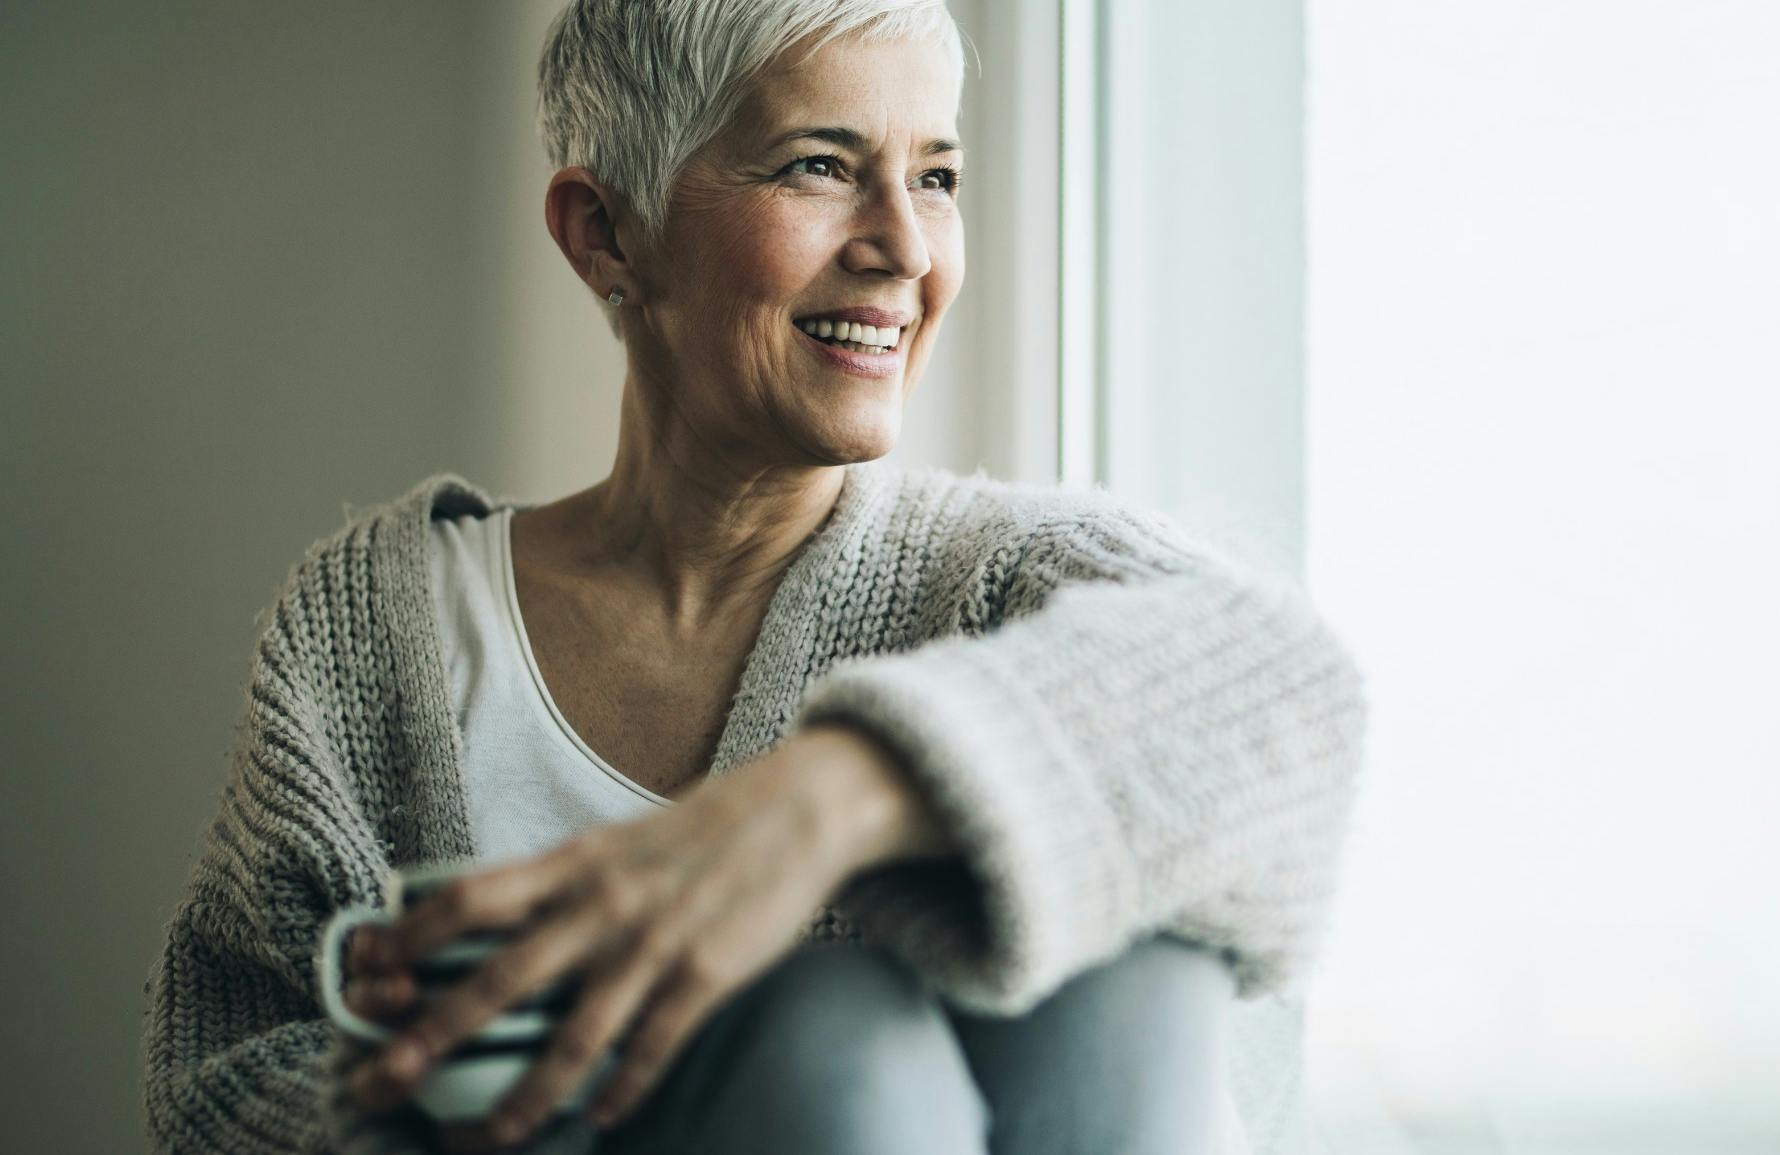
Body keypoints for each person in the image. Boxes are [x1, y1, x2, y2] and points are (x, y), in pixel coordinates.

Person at [138, 1, 1369, 1152]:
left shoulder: (995, 582)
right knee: (833, 1033)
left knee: (1135, 986)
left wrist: (814, 809)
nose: (901, 247)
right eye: (819, 166)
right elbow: (226, 1086)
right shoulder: (380, 625)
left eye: (935, 177)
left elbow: (1287, 689)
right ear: (605, 231)